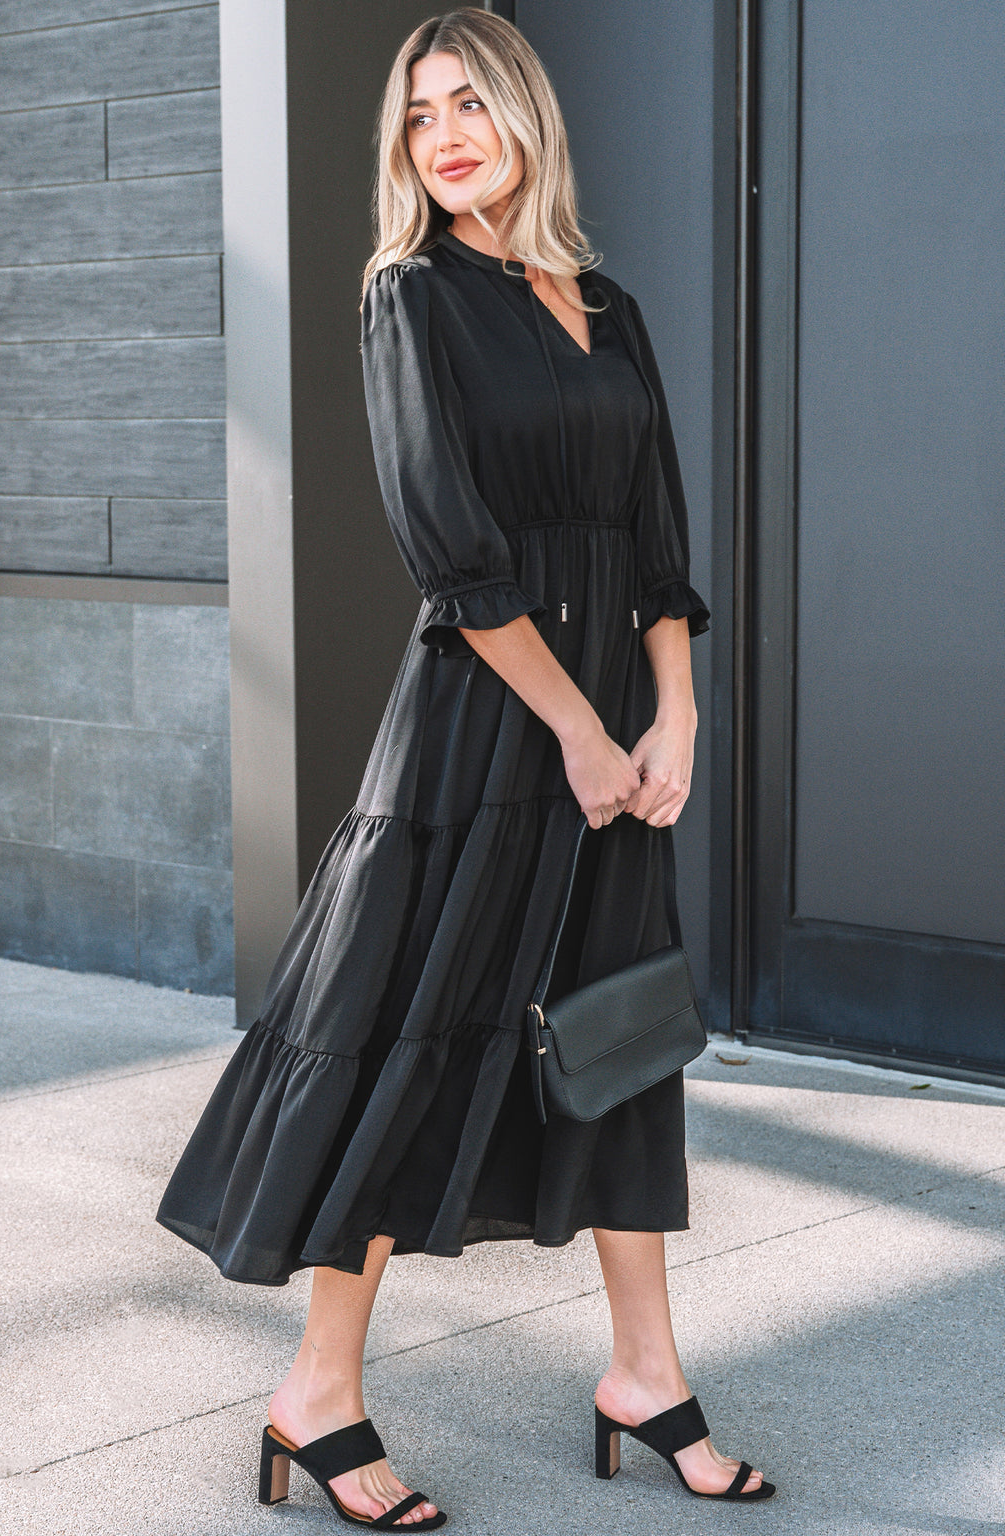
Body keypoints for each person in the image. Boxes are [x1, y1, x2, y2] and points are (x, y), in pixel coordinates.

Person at [156, 7, 775, 1526]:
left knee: (622, 1044)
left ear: (523, 120)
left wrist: (671, 715)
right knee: (404, 1035)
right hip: (494, 724)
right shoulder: (409, 296)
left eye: (469, 105)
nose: (443, 135)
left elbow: (655, 541)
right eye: (419, 114)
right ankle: (316, 1394)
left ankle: (648, 1376)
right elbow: (450, 545)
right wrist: (572, 725)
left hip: (622, 729)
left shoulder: (605, 307)